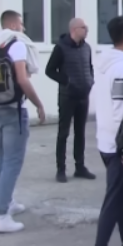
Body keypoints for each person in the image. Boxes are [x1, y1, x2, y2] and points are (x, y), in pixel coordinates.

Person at [0, 10, 46, 233]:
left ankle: (8, 201)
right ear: (13, 25)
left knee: (0, 158)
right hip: (14, 112)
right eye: (21, 24)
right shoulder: (17, 45)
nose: (23, 29)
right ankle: (1, 215)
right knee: (12, 161)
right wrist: (39, 104)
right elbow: (22, 79)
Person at [87, 15, 123, 246]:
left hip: (105, 139)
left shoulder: (104, 64)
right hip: (118, 144)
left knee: (120, 194)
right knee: (114, 199)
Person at [45, 18, 96, 183]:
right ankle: (61, 169)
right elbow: (50, 70)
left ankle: (80, 167)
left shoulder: (86, 48)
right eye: (84, 27)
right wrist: (66, 81)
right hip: (68, 96)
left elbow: (89, 66)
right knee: (64, 133)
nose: (87, 30)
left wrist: (90, 80)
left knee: (80, 132)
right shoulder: (61, 48)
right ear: (74, 29)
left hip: (83, 96)